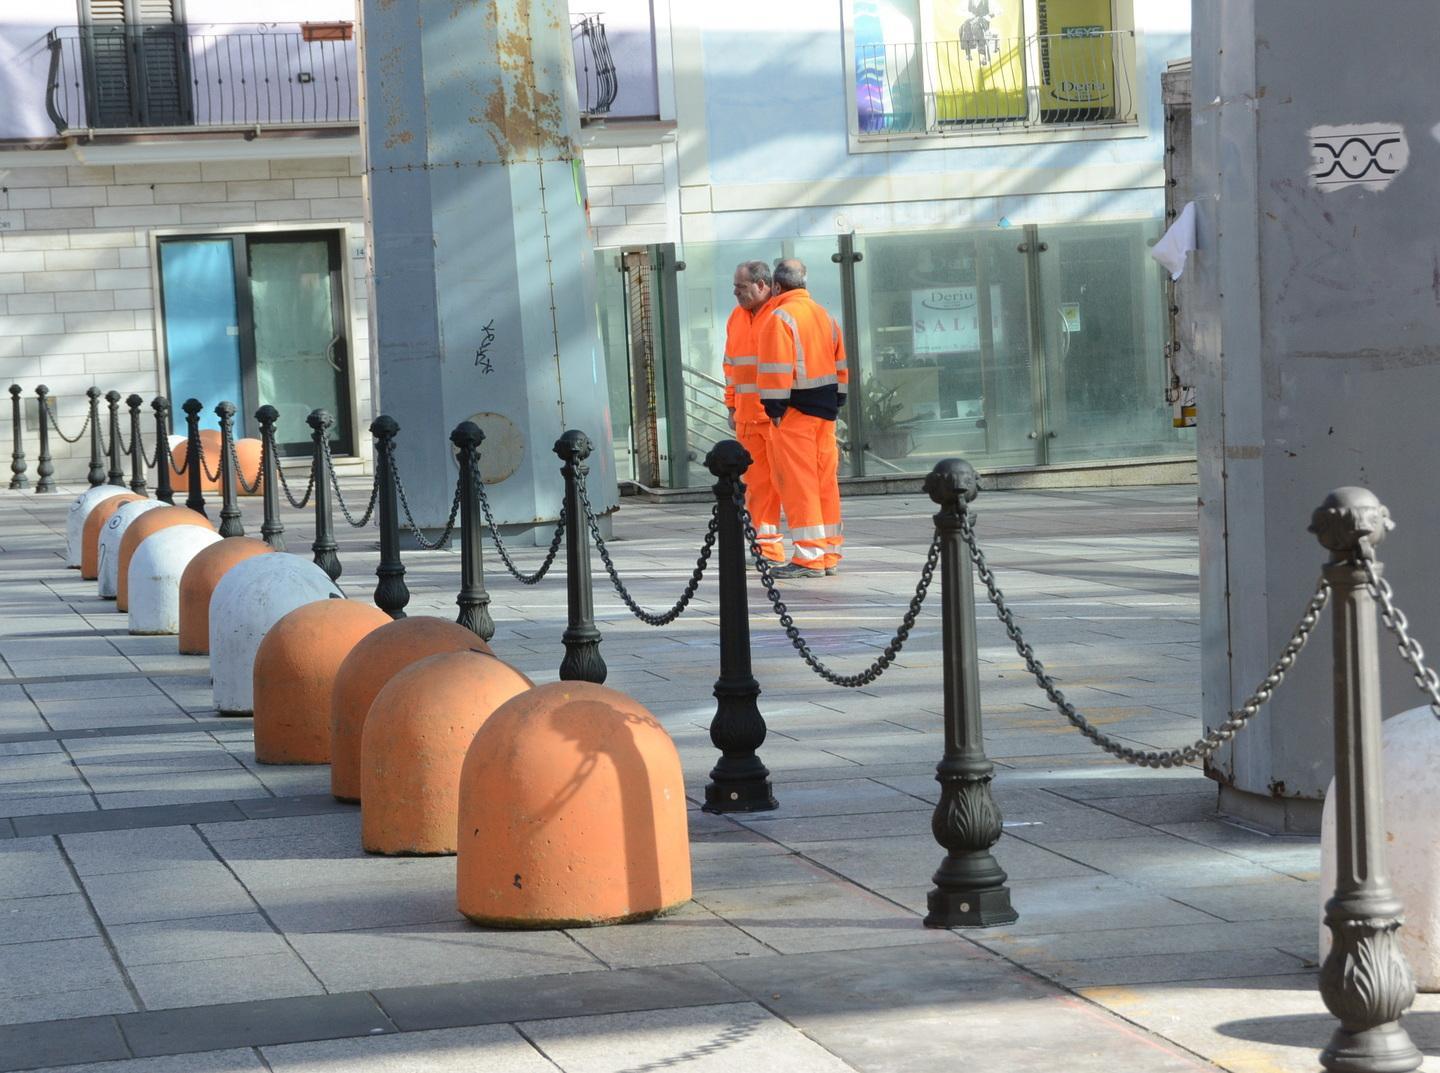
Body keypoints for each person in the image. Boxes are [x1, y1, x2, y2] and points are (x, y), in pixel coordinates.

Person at [756, 258, 846, 579]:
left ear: (777, 286)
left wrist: (774, 410)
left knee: (799, 485)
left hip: (794, 414)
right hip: (826, 414)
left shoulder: (778, 318)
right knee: (825, 483)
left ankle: (808, 556)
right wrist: (836, 402)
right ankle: (829, 551)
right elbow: (841, 367)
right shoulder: (825, 316)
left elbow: (775, 372)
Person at [722, 260, 785, 565]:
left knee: (787, 484)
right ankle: (766, 547)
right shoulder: (735, 318)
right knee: (757, 488)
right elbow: (730, 367)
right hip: (748, 418)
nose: (736, 293)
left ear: (762, 285)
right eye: (735, 287)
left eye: (741, 287)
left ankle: (814, 549)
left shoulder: (779, 313)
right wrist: (731, 405)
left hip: (776, 416)